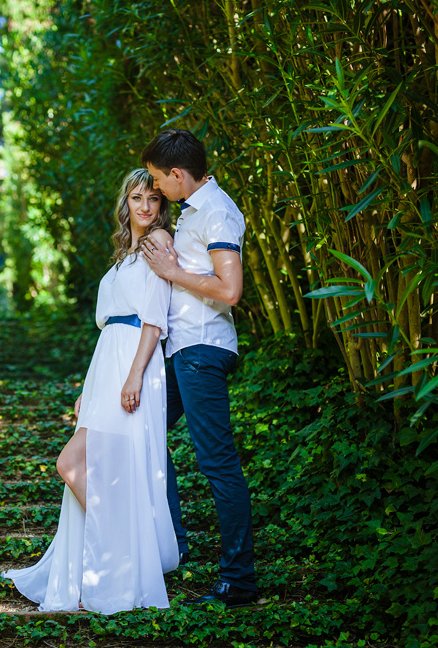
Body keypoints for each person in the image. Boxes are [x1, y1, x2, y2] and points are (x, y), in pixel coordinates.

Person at [3, 168, 179, 614]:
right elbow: (110, 329)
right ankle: (116, 555)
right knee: (85, 463)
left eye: (152, 199)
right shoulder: (126, 253)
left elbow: (154, 319)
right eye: (137, 198)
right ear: (127, 203)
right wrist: (90, 387)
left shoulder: (159, 243)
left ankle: (124, 555)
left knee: (76, 462)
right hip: (108, 365)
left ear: (161, 205)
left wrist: (135, 375)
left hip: (133, 362)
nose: (144, 206)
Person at [139, 128, 259, 608]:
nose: (155, 191)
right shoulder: (195, 209)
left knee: (217, 463)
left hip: (202, 349)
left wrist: (171, 273)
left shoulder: (217, 211)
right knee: (144, 431)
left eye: (156, 181)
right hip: (182, 349)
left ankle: (239, 580)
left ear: (175, 174)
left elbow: (230, 291)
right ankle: (174, 546)